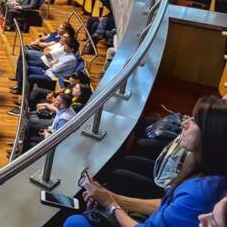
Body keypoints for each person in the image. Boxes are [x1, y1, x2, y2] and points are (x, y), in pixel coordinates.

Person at [64, 96, 227, 227]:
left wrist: (111, 206)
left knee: (75, 223)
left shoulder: (200, 193)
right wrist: (112, 198)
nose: (184, 123)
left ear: (211, 136)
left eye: (195, 121)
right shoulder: (209, 173)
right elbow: (167, 206)